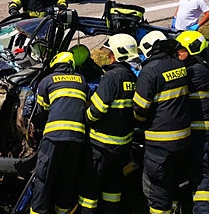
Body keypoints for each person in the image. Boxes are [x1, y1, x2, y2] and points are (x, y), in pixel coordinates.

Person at [78, 34, 138, 214]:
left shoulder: (111, 77)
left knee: (89, 187)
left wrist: (85, 120)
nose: (108, 56)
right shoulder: (131, 78)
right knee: (113, 187)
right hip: (122, 146)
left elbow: (98, 109)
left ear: (118, 54)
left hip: (101, 145)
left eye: (110, 53)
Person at [133, 37, 190, 214]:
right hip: (182, 141)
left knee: (157, 192)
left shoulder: (149, 71)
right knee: (172, 186)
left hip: (159, 144)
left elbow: (140, 110)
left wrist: (139, 124)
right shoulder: (179, 67)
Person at [31, 51, 89, 214]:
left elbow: (42, 111)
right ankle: (62, 211)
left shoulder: (47, 80)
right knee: (67, 178)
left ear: (55, 65)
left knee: (44, 178)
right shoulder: (82, 81)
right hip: (77, 138)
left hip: (54, 136)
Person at [176, 31, 209, 214]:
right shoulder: (202, 69)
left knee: (201, 175)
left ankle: (204, 211)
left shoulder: (196, 72)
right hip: (196, 130)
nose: (178, 53)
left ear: (192, 50)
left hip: (199, 132)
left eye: (181, 50)